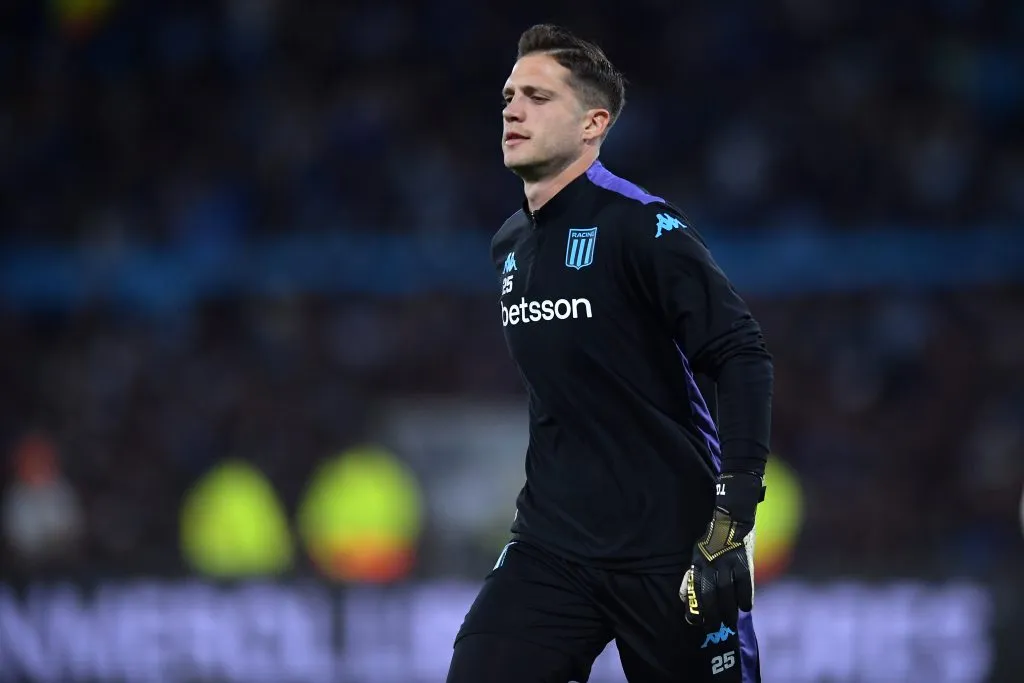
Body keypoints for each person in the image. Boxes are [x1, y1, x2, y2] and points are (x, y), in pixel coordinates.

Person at [446, 24, 773, 683]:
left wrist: (731, 516)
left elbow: (740, 352)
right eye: (510, 94)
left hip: (669, 549)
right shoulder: (510, 244)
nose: (512, 108)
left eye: (538, 96)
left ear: (593, 123)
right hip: (552, 543)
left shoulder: (643, 226)